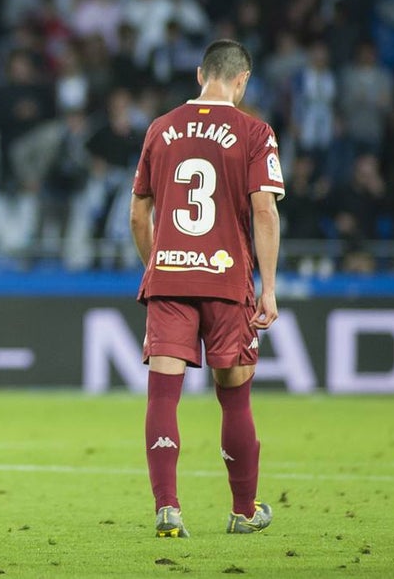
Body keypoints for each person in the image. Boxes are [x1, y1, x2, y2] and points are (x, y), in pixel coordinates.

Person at [128, 39, 284, 537]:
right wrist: (268, 288)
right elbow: (264, 211)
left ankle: (168, 509)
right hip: (226, 279)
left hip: (170, 277)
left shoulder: (161, 128)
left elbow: (138, 215)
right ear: (243, 80)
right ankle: (243, 511)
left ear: (200, 74)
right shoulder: (255, 132)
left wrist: (156, 266)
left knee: (163, 395)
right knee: (235, 397)